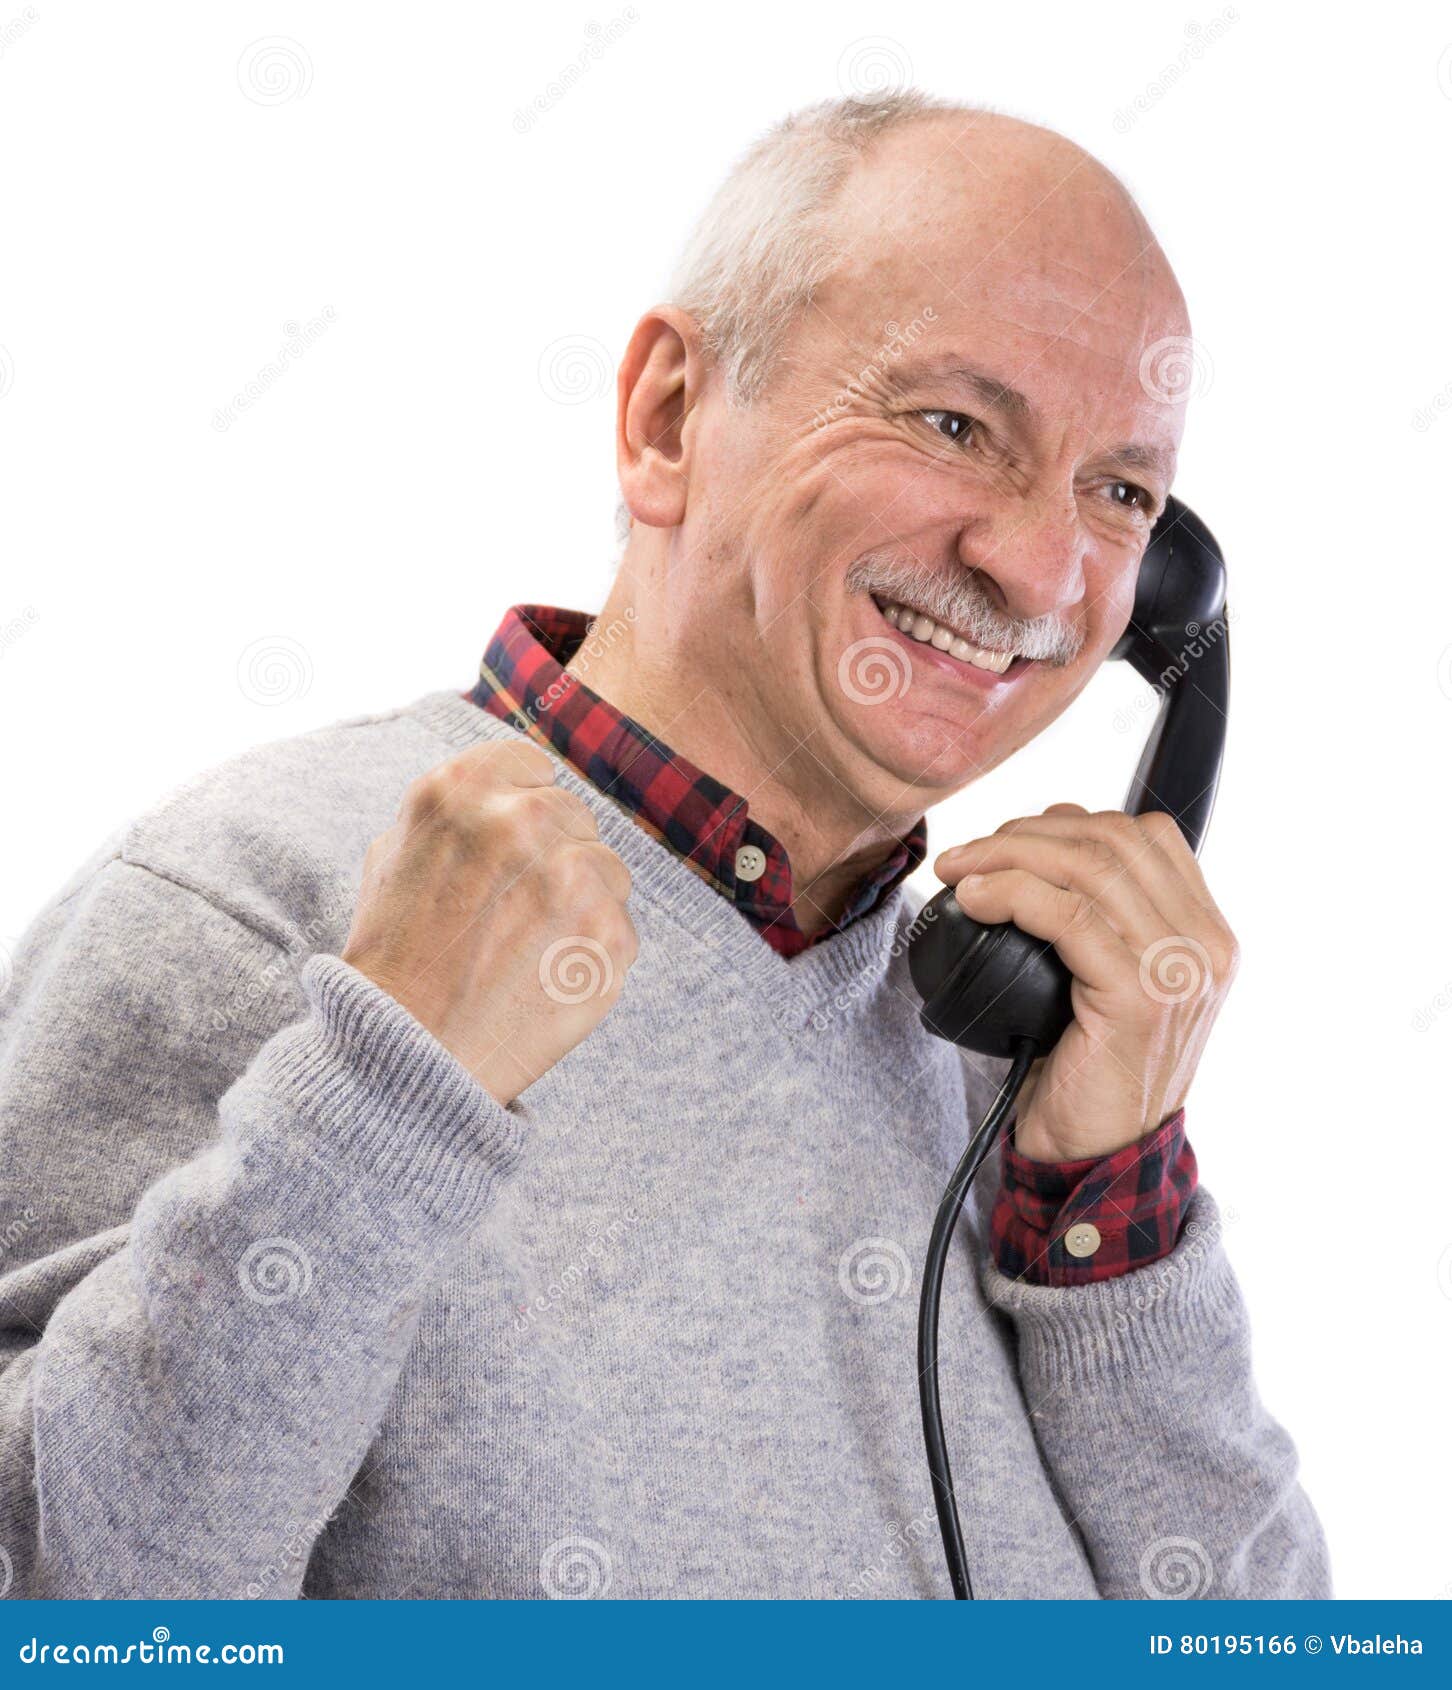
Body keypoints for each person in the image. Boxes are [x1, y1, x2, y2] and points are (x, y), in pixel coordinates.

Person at [0, 91, 1328, 1599]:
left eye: (1120, 492)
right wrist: (379, 1105)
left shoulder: (1015, 1060)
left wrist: (1114, 1206)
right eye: (954, 423)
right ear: (668, 418)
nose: (1037, 565)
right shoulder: (254, 902)